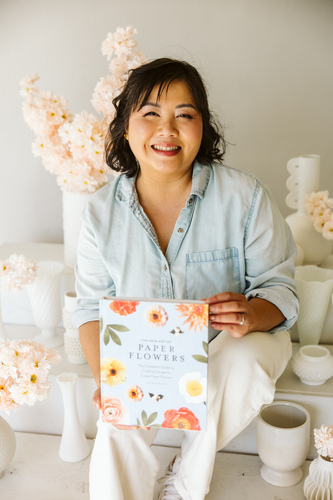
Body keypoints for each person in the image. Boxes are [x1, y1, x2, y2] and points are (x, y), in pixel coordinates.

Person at [72, 58, 299, 500]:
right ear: (124, 127)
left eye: (185, 115)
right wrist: (109, 380)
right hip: (147, 353)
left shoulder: (246, 197)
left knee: (245, 359)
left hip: (233, 346)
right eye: (150, 113)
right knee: (118, 417)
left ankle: (184, 484)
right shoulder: (100, 214)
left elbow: (282, 291)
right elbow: (88, 309)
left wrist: (251, 313)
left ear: (203, 127)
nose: (167, 129)